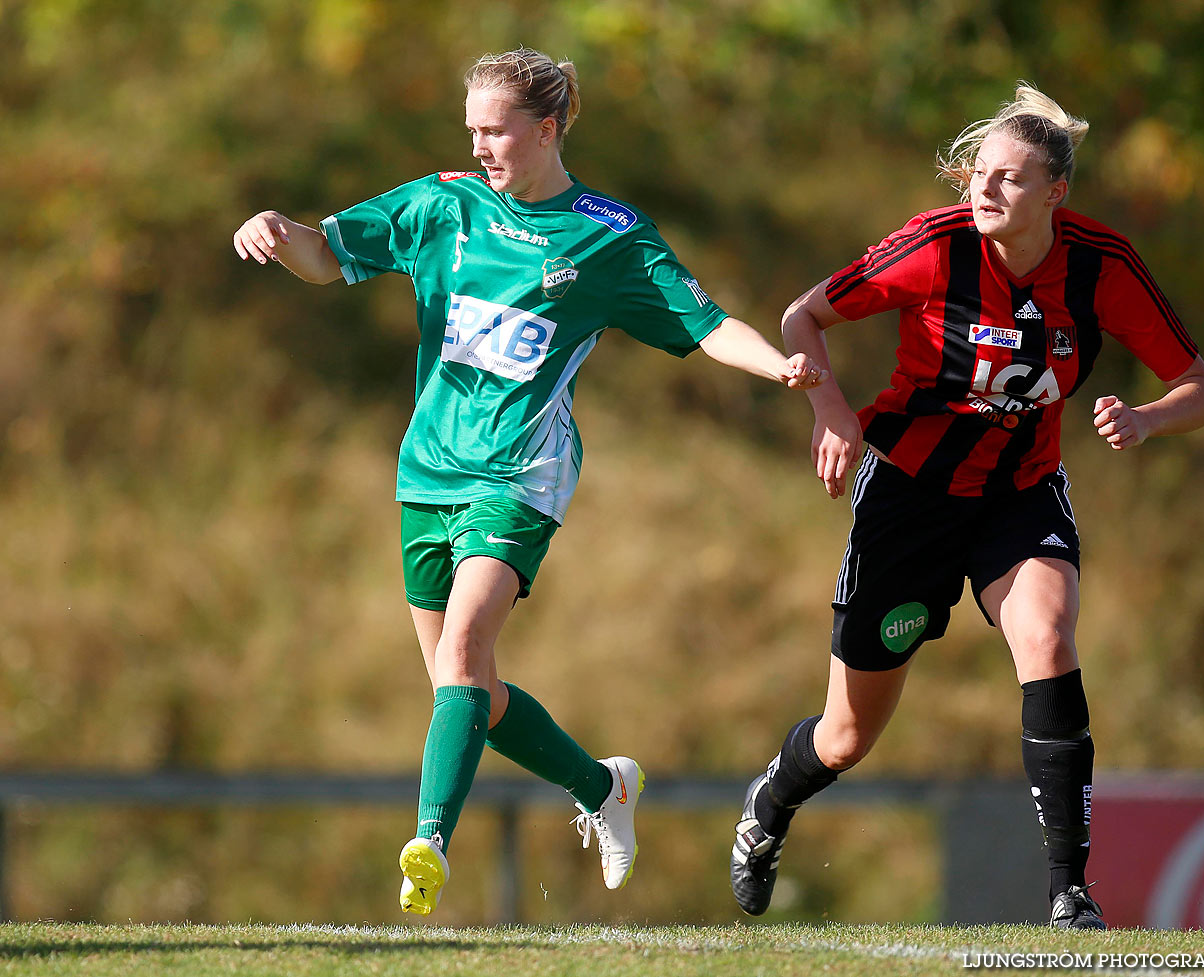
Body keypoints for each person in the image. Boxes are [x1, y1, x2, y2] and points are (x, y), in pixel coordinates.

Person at [234, 47, 826, 916]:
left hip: (521, 473)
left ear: (546, 129)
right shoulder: (443, 204)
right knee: (462, 687)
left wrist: (778, 368)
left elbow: (704, 324)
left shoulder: (608, 234)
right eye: (470, 127)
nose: (477, 144)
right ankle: (602, 786)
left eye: (494, 128)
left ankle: (429, 840)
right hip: (426, 471)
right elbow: (328, 256)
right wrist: (280, 233)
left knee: (467, 649)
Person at [729, 82, 1204, 929]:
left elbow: (1199, 389)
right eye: (979, 174)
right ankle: (769, 805)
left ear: (1056, 193)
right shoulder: (935, 245)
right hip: (910, 495)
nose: (986, 191)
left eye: (1011, 179)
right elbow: (802, 315)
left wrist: (1143, 417)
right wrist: (833, 411)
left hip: (1019, 495)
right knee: (847, 736)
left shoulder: (1102, 265)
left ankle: (1070, 891)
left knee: (1048, 634)